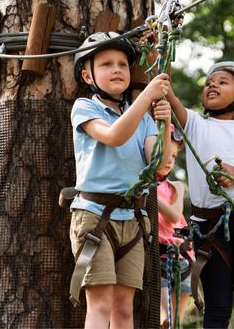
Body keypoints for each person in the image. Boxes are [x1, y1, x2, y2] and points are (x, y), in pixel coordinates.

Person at [69, 31, 172, 329]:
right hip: (94, 216)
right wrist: (147, 99)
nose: (116, 69)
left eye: (123, 64)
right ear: (88, 76)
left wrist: (163, 123)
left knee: (124, 309)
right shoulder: (85, 107)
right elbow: (114, 136)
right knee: (100, 305)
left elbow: (159, 165)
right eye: (106, 64)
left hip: (133, 219)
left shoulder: (143, 117)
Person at [165, 61, 234, 328]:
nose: (211, 84)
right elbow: (166, 92)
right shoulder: (193, 124)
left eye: (222, 82)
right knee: (217, 304)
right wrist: (157, 57)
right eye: (208, 83)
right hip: (207, 227)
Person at [156, 124, 194, 328]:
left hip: (183, 259)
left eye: (173, 156)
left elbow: (174, 216)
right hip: (160, 259)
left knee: (175, 324)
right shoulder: (141, 184)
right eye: (164, 155)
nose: (169, 161)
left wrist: (150, 194)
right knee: (165, 320)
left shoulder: (176, 186)